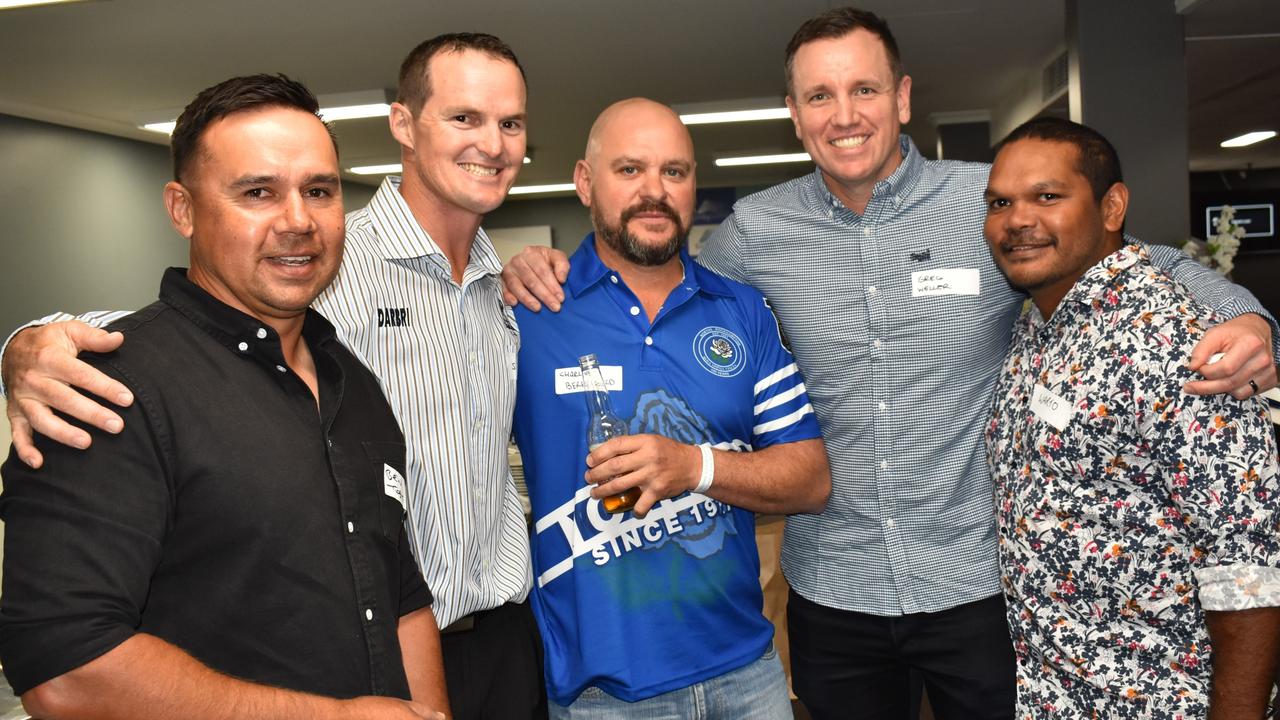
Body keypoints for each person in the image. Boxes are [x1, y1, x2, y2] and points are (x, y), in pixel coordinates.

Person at [498, 7, 1280, 719]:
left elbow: (1131, 257)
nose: (844, 116)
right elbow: (655, 261)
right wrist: (535, 267)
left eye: (863, 89)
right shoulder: (753, 233)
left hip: (980, 586)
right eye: (819, 96)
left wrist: (1246, 313)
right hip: (834, 592)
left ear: (902, 98)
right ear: (795, 114)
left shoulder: (992, 203)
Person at [0, 34, 543, 719]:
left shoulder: (360, 380)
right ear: (182, 210)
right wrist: (21, 346)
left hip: (479, 648)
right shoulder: (111, 389)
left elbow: (396, 582)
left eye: (318, 191)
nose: (298, 221)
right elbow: (63, 662)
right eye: (259, 192)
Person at [512, 98, 830, 718]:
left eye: (675, 172)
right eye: (630, 170)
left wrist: (694, 467)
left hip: (748, 675)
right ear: (584, 181)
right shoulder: (526, 312)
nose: (654, 191)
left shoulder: (741, 310)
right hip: (601, 695)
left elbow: (810, 477)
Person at [983, 116, 1280, 719]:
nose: (1017, 219)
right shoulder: (1038, 325)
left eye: (1047, 196)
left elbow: (1248, 570)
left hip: (1161, 701)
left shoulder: (1181, 343)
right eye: (1001, 202)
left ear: (1112, 206)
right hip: (1055, 696)